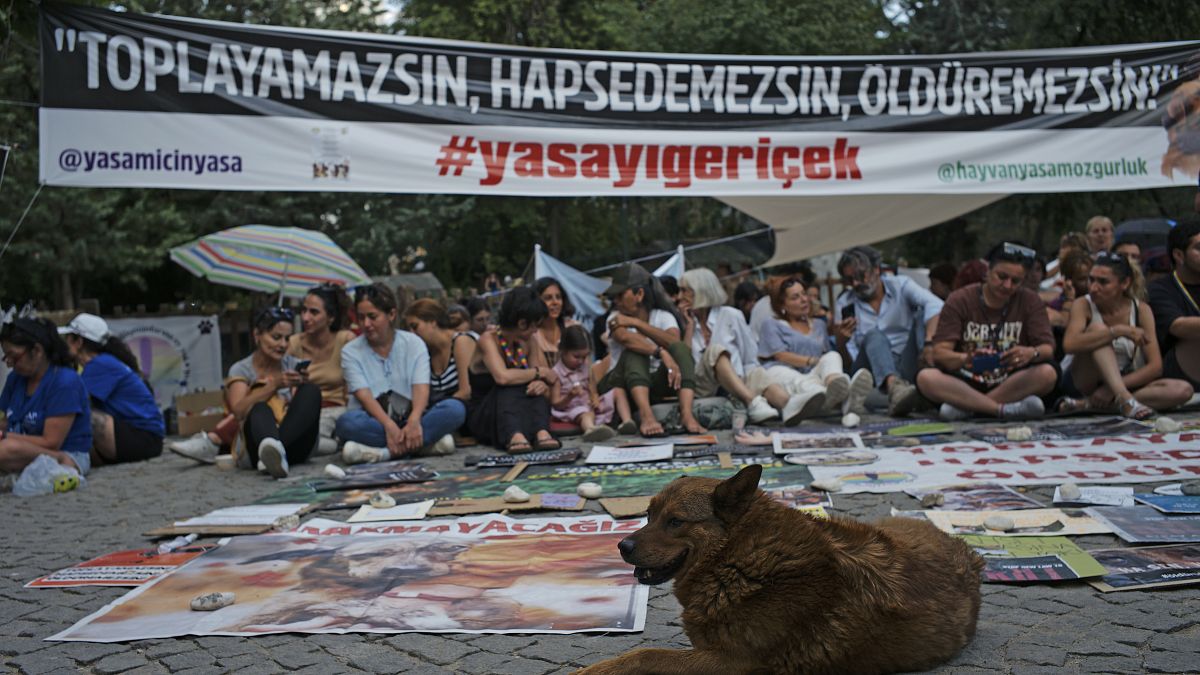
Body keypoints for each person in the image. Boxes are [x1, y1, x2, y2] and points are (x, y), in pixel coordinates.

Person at [915, 242, 1058, 421]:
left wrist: (1031, 352)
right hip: (966, 379)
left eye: (1015, 281)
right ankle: (1002, 410)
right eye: (1002, 277)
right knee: (926, 377)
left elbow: (1047, 349)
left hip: (1010, 380)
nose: (1007, 285)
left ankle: (967, 408)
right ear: (987, 272)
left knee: (1047, 373)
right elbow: (940, 353)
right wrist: (966, 358)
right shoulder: (960, 299)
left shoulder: (1030, 300)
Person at [336, 284, 463, 463]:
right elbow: (364, 396)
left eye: (372, 317)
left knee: (455, 409)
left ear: (391, 314)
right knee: (347, 423)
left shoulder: (414, 343)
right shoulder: (350, 351)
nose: (366, 324)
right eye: (361, 317)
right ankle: (422, 446)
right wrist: (388, 426)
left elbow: (420, 386)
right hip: (375, 422)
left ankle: (383, 453)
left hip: (412, 420)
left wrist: (414, 420)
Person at [1059, 251, 1193, 417]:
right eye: (1091, 279)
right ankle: (1123, 400)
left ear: (1124, 283)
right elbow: (1070, 344)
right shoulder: (1083, 304)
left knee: (1182, 390)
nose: (1094, 288)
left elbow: (1155, 367)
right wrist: (1118, 331)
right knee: (1098, 330)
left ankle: (1092, 405)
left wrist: (1112, 388)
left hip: (1125, 383)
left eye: (1103, 282)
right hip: (1086, 380)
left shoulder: (1141, 310)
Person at [598, 263, 706, 437]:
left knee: (680, 349)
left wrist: (636, 323)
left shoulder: (662, 316)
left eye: (619, 295)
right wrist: (660, 352)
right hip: (622, 386)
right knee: (635, 352)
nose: (615, 301)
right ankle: (647, 416)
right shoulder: (614, 317)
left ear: (639, 294)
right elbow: (626, 338)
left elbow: (674, 342)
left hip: (657, 383)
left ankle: (686, 414)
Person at [833, 246, 941, 416]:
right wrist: (841, 342)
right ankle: (896, 389)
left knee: (923, 314)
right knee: (874, 335)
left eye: (860, 276)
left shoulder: (901, 285)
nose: (855, 283)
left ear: (876, 270)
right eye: (849, 279)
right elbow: (850, 366)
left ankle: (927, 381)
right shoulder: (845, 304)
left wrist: (929, 342)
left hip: (907, 361)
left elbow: (935, 305)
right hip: (870, 374)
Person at [678, 269, 791, 424]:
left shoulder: (731, 315)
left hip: (736, 380)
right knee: (716, 350)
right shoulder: (683, 322)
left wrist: (753, 380)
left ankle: (789, 407)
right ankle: (752, 401)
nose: (680, 296)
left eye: (685, 290)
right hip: (705, 385)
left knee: (760, 375)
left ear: (701, 291)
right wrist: (689, 327)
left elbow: (750, 358)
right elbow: (685, 365)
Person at [758, 275, 876, 419]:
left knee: (833, 356)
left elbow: (826, 359)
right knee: (800, 381)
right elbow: (780, 355)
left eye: (804, 294)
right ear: (782, 305)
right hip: (784, 373)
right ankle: (847, 399)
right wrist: (812, 361)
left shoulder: (819, 325)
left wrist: (840, 341)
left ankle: (836, 388)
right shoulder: (771, 324)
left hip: (814, 375)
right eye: (795, 297)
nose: (804, 300)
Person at [225, 306, 320, 478]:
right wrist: (273, 385)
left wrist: (301, 384)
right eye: (276, 337)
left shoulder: (293, 364)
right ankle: (272, 454)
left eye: (287, 338)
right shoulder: (241, 369)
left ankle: (277, 454)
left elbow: (301, 410)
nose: (283, 345)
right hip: (256, 451)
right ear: (257, 336)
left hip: (295, 446)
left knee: (311, 391)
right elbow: (238, 411)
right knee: (259, 408)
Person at [59, 313, 164, 466]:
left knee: (77, 414)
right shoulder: (103, 362)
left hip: (144, 439)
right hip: (138, 437)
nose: (64, 344)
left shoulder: (101, 364)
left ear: (79, 342)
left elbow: (72, 403)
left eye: (68, 338)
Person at [465, 286, 560, 452]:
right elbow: (502, 377)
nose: (536, 330)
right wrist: (539, 373)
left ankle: (541, 432)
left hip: (520, 409)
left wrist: (540, 382)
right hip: (487, 414)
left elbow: (540, 376)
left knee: (534, 388)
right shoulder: (488, 340)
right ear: (522, 323)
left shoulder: (529, 341)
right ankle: (513, 435)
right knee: (507, 386)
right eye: (534, 325)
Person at [0, 317, 93, 476]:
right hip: (20, 448)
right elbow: (6, 422)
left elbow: (51, 442)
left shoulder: (64, 382)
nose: (9, 364)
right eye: (5, 357)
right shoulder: (15, 379)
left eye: (14, 357)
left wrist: (5, 436)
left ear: (37, 351)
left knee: (6, 449)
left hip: (66, 455)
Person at [287, 283, 355, 455]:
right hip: (300, 411)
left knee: (303, 437)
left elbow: (353, 389)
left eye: (314, 312)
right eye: (304, 310)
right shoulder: (293, 344)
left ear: (330, 317)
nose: (305, 318)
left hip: (335, 409)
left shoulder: (345, 340)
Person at [403, 298, 474, 428]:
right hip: (438, 413)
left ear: (432, 322)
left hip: (464, 411)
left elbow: (466, 391)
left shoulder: (461, 341)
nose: (412, 334)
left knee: (452, 409)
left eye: (415, 327)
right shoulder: (425, 353)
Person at [1148, 218, 1200, 391]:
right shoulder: (1159, 288)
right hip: (1178, 369)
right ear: (1179, 255)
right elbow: (1178, 326)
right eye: (1198, 248)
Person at [552, 325, 620, 442]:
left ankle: (627, 421)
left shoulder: (585, 366)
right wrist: (569, 396)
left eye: (585, 356)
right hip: (571, 409)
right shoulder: (556, 373)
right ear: (563, 351)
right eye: (576, 357)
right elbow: (556, 403)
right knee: (585, 413)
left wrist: (594, 397)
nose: (581, 361)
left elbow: (592, 386)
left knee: (618, 392)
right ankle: (590, 430)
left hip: (588, 404)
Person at [534, 277, 578, 366]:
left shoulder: (573, 327)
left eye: (558, 297)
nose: (555, 302)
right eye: (548, 298)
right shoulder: (531, 334)